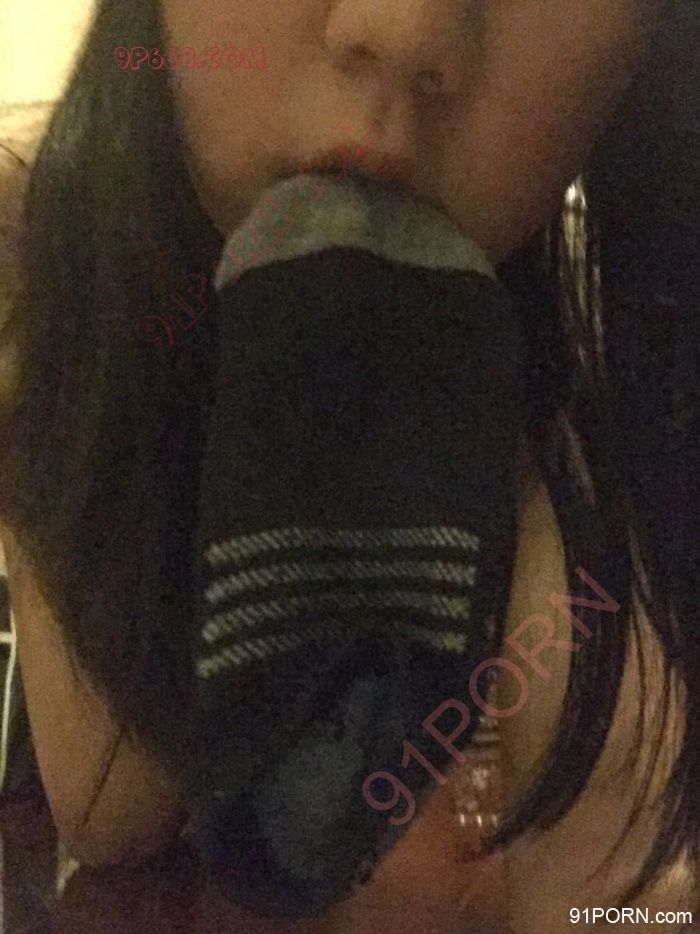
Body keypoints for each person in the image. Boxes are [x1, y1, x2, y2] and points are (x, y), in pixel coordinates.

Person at [0, 1, 697, 931]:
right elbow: (115, 813)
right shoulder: (40, 255)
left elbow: (622, 906)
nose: (403, 30)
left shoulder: (627, 377)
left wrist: (561, 507)